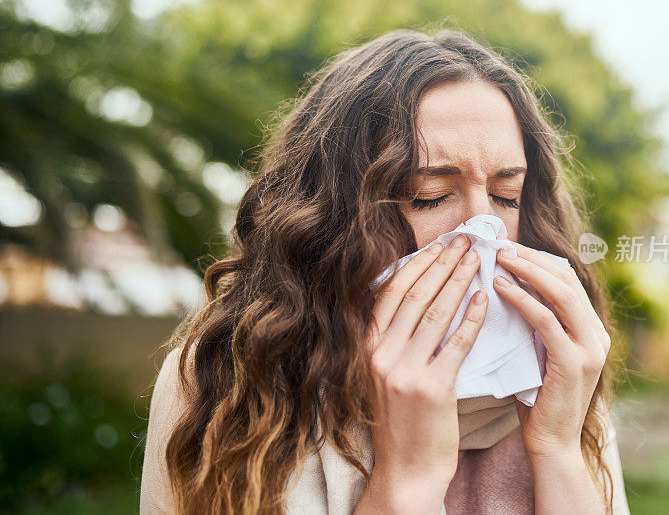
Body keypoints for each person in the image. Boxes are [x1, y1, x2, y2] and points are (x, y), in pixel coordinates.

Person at [140, 28, 630, 514]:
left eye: (507, 196)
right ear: (330, 219)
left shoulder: (557, 377)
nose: (485, 231)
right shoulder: (226, 386)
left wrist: (559, 453)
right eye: (429, 196)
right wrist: (407, 481)